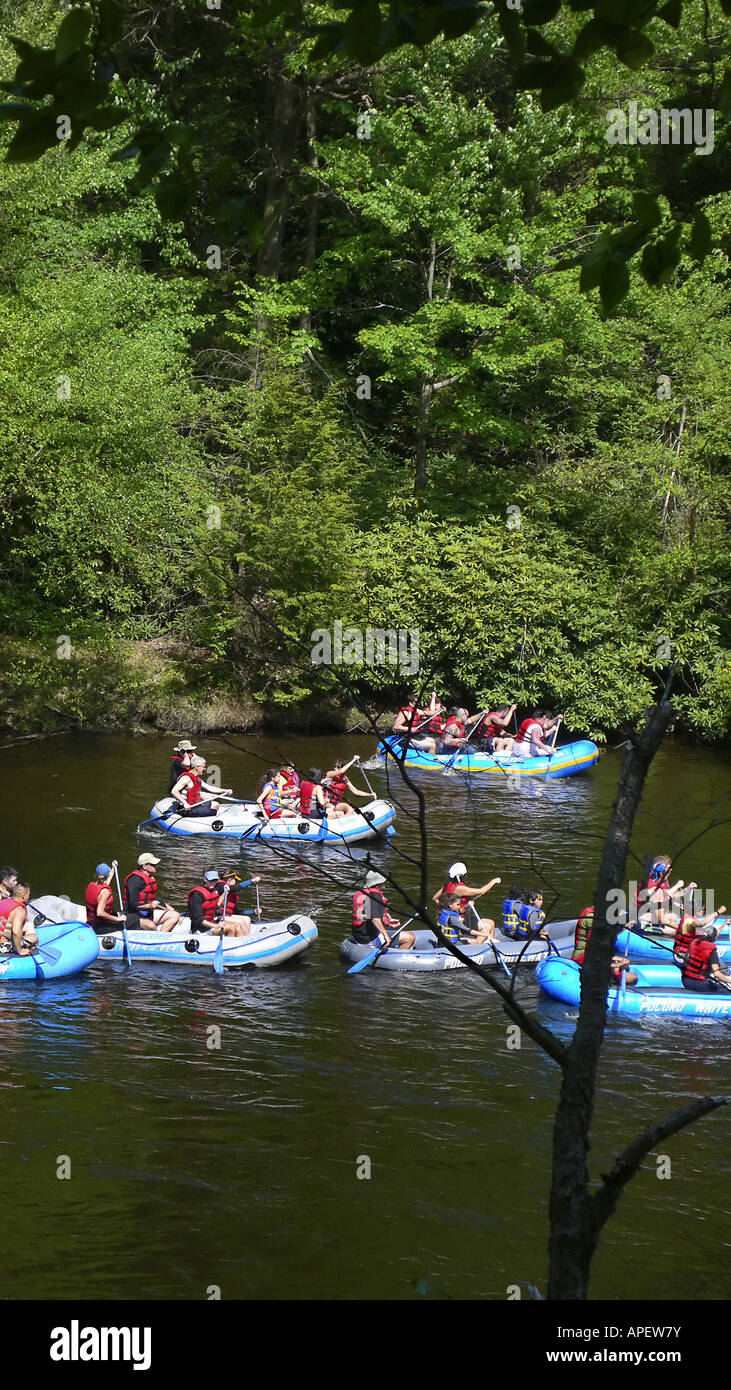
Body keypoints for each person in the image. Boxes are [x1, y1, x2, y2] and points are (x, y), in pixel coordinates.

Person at [432, 862, 501, 944]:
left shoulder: (447, 885)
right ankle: (478, 944)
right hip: (461, 920)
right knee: (490, 924)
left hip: (453, 918)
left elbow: (435, 898)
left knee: (489, 922)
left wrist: (444, 910)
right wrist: (493, 881)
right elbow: (482, 891)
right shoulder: (460, 888)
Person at [571, 905, 638, 986]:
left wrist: (624, 927)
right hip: (583, 959)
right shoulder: (592, 920)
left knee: (621, 967)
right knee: (633, 978)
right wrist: (618, 964)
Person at [350, 870, 415, 951]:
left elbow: (367, 915)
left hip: (360, 936)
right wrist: (386, 936)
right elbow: (375, 919)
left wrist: (388, 921)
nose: (384, 886)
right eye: (382, 884)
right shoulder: (375, 896)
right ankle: (398, 957)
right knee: (409, 937)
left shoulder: (364, 893)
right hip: (370, 940)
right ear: (376, 884)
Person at [123, 854, 180, 932]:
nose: (155, 866)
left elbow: (152, 898)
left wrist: (171, 909)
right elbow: (132, 905)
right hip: (133, 916)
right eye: (153, 864)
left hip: (147, 913)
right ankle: (155, 939)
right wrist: (149, 906)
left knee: (175, 915)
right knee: (151, 926)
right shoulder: (134, 880)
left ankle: (161, 938)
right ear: (144, 866)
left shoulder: (150, 878)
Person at [636, 854, 691, 931]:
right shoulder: (655, 889)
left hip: (652, 913)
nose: (670, 872)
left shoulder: (661, 880)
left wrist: (687, 889)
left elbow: (667, 896)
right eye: (669, 870)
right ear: (661, 873)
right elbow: (660, 918)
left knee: (674, 916)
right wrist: (680, 928)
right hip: (642, 918)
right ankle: (647, 927)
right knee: (674, 931)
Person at [681, 922, 731, 994]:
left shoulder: (693, 942)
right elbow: (717, 974)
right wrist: (729, 981)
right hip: (700, 984)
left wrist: (723, 925)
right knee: (724, 989)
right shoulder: (711, 949)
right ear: (713, 939)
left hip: (685, 980)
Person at [212, 869, 264, 937]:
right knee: (241, 922)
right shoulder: (220, 886)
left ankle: (245, 939)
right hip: (216, 918)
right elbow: (235, 888)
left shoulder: (230, 894)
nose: (236, 883)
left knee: (247, 919)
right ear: (230, 880)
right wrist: (251, 881)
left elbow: (237, 912)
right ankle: (241, 941)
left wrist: (253, 912)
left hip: (226, 916)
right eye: (235, 880)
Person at [85, 862, 126, 933]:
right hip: (100, 926)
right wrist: (117, 919)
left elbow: (107, 880)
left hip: (91, 922)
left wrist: (113, 867)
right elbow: (100, 913)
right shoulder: (105, 892)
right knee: (132, 921)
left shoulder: (91, 885)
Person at [0, 883, 38, 956]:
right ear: (23, 896)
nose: (29, 896)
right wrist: (19, 950)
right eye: (28, 894)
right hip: (2, 946)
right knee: (34, 938)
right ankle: (28, 955)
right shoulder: (19, 910)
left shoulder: (2, 902)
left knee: (29, 925)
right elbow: (16, 931)